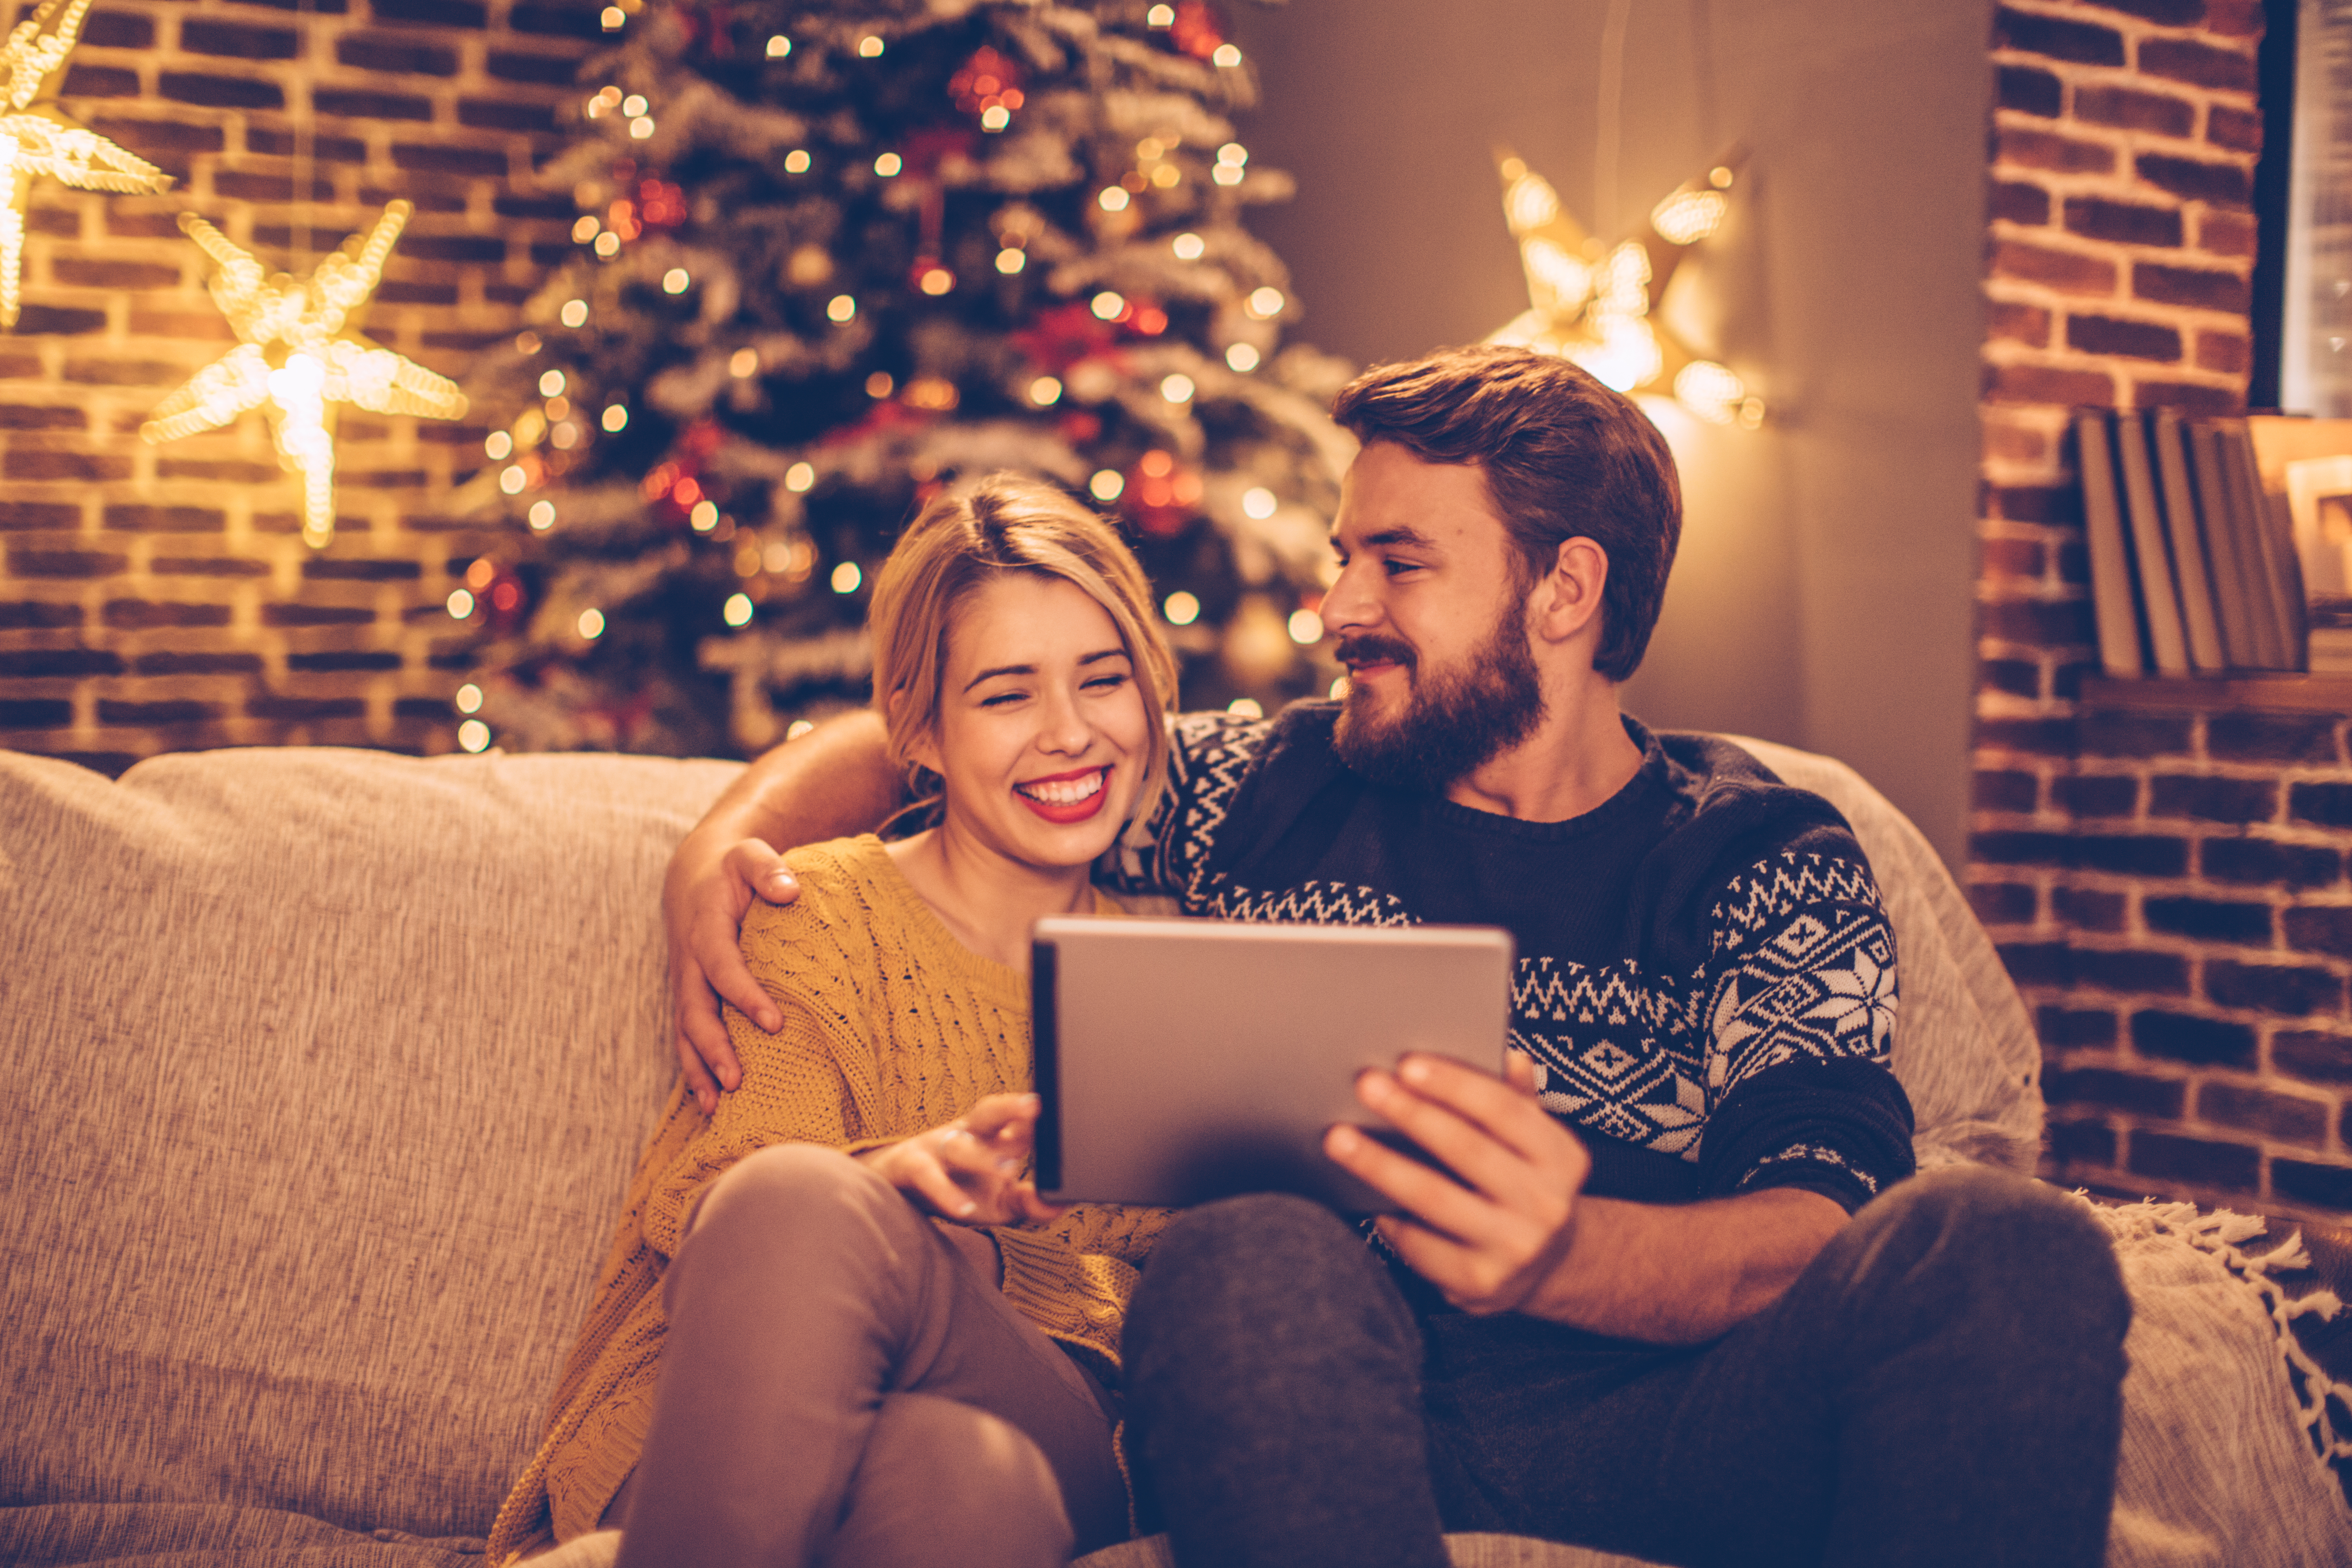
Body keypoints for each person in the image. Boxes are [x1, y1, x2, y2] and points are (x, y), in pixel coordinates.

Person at [658, 345, 2132, 1568]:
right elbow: (987, 737)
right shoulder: (1272, 784)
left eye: (1398, 564)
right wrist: (721, 844)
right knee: (1247, 1248)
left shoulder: (1761, 857)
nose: (1340, 608)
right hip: (1311, 1398)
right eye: (1345, 556)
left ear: (1563, 592)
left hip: (1676, 1421)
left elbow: (1820, 1219)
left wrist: (1561, 1256)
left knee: (2011, 1240)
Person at [486, 474, 1178, 1568]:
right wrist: (903, 1178)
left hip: (1058, 1416)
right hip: (734, 1413)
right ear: (922, 731)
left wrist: (980, 1263)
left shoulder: (1183, 961)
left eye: (1104, 681)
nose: (1070, 734)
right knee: (961, 1476)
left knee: (966, 1408)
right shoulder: (818, 910)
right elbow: (727, 1209)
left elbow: (1201, 1307)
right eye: (1006, 696)